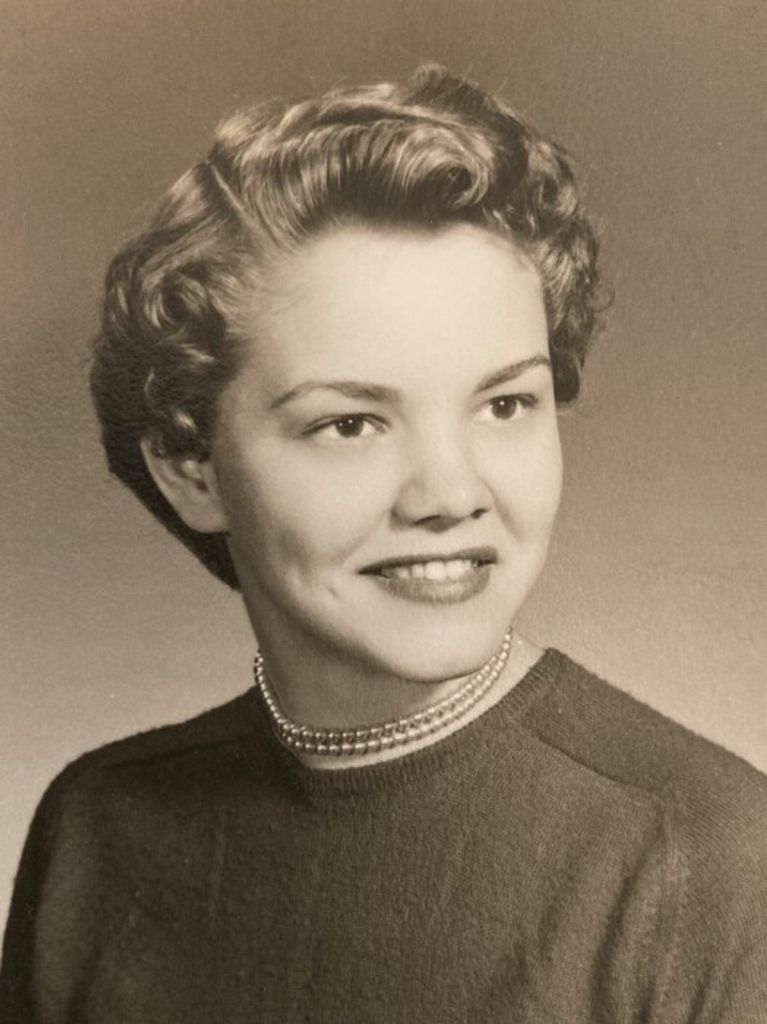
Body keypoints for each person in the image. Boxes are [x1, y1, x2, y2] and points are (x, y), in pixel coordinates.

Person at [1, 64, 765, 1023]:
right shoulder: (97, 830)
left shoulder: (710, 863)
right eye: (351, 423)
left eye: (504, 403)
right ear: (192, 469)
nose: (451, 495)